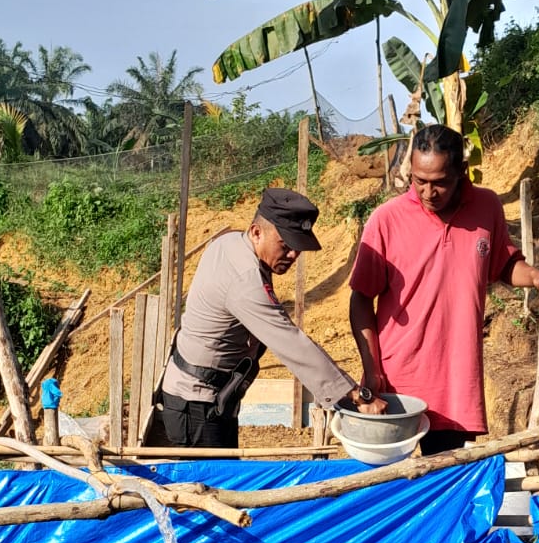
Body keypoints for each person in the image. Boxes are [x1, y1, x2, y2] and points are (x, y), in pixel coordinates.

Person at [349, 123, 539, 455]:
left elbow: (503, 265)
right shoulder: (386, 220)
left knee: (444, 487)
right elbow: (361, 297)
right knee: (392, 486)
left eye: (439, 183)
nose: (427, 192)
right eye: (419, 181)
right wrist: (372, 367)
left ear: (462, 172)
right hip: (396, 381)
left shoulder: (486, 207)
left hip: (454, 382)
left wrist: (535, 276)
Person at [161, 186, 386, 449]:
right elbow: (290, 342)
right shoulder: (245, 281)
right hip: (196, 406)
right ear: (257, 232)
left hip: (208, 397)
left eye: (298, 247)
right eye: (286, 245)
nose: (293, 255)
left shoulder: (230, 243)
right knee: (210, 488)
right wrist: (356, 395)